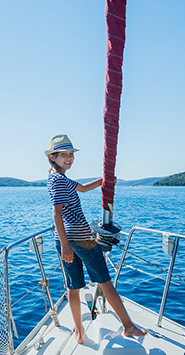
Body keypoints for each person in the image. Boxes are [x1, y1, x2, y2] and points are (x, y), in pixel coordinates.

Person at [45, 134, 147, 344]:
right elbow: (56, 213)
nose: (69, 158)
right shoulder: (58, 180)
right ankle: (128, 326)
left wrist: (104, 181)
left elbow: (82, 188)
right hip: (79, 239)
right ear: (52, 157)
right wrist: (65, 245)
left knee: (73, 286)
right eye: (63, 155)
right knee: (105, 281)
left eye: (71, 154)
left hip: (66, 238)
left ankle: (79, 333)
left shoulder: (57, 177)